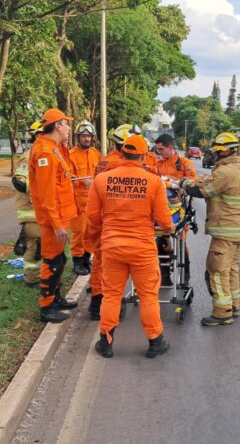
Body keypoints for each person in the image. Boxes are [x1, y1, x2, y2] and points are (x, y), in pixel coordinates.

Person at [87, 134, 173, 358]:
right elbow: (164, 220)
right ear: (144, 156)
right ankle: (155, 342)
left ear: (122, 153)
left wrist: (99, 241)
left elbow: (93, 217)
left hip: (112, 247)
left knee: (111, 295)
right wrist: (168, 229)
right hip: (142, 248)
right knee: (148, 296)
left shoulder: (101, 180)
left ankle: (106, 342)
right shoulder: (153, 181)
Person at [181, 132, 240, 326]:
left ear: (223, 152)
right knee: (231, 269)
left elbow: (202, 191)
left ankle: (222, 313)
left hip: (226, 230)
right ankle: (233, 306)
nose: (214, 154)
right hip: (239, 229)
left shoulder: (225, 172)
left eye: (216, 151)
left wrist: (182, 182)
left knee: (217, 271)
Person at [87, 123, 144, 321]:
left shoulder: (104, 162)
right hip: (117, 221)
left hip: (102, 219)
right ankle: (106, 305)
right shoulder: (120, 165)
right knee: (113, 268)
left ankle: (96, 304)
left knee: (100, 262)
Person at [28, 108, 79, 323]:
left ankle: (56, 298)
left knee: (59, 259)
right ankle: (46, 307)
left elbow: (63, 176)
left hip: (60, 215)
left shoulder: (53, 148)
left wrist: (64, 145)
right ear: (58, 126)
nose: (68, 128)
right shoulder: (45, 153)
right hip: (52, 219)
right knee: (52, 261)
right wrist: (57, 224)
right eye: (66, 124)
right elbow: (47, 194)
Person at [155, 133, 198, 285]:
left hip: (180, 208)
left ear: (170, 147)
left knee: (181, 242)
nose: (159, 152)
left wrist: (176, 183)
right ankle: (165, 276)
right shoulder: (159, 164)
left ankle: (185, 275)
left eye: (161, 149)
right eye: (158, 149)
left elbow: (194, 183)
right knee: (162, 241)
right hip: (162, 207)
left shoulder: (184, 163)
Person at [12, 121, 43, 288]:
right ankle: (32, 279)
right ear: (37, 136)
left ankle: (39, 276)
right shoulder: (28, 157)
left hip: (40, 210)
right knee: (34, 246)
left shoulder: (42, 155)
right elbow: (19, 182)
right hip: (30, 211)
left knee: (41, 245)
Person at [69, 120, 100, 276]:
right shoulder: (71, 155)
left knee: (91, 232)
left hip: (93, 201)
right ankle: (77, 261)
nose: (86, 139)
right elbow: (67, 176)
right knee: (79, 233)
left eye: (89, 136)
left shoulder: (96, 154)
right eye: (83, 136)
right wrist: (82, 181)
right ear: (78, 137)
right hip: (77, 202)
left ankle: (86, 258)